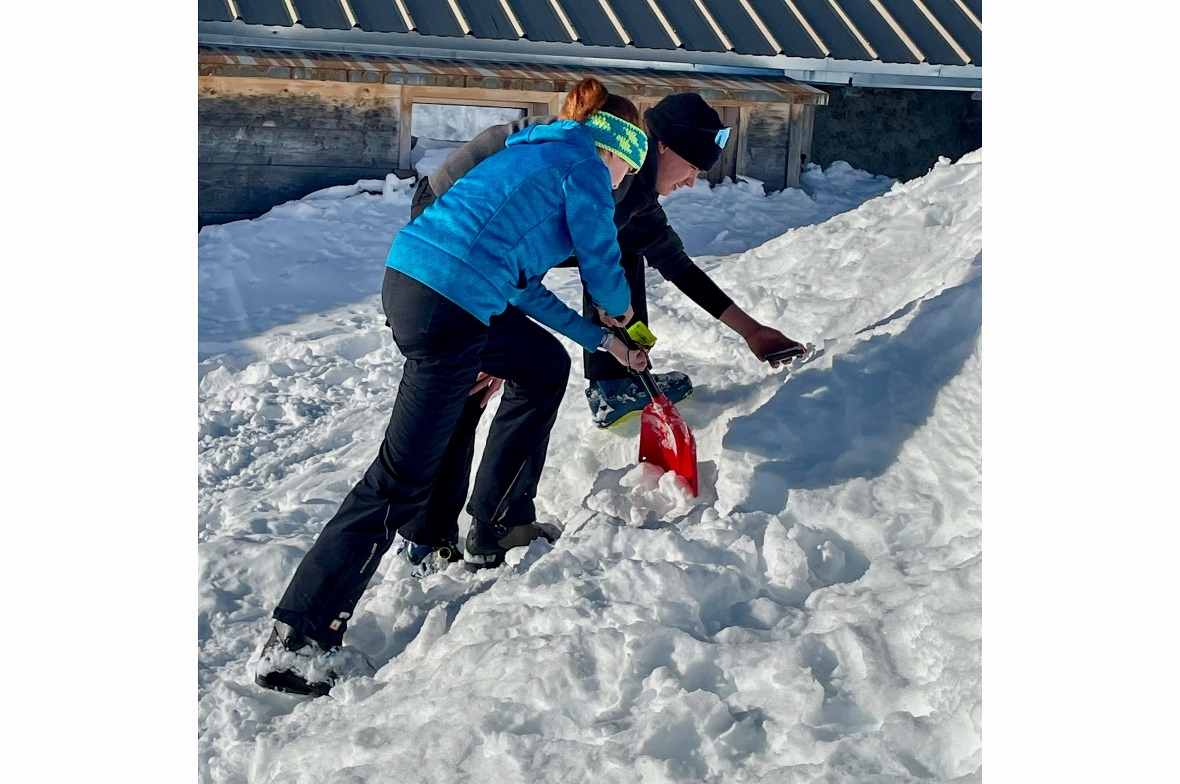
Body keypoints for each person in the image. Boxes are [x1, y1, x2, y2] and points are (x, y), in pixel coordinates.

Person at [255, 78, 651, 696]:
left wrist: (599, 341)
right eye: (630, 168)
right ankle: (298, 640)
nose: (625, 182)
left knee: (542, 365)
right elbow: (604, 257)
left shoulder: (540, 154)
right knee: (398, 478)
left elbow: (519, 283)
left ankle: (499, 518)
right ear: (619, 151)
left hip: (423, 284)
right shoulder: (583, 164)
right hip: (448, 307)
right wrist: (623, 318)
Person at [409, 91, 806, 545]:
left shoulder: (631, 190)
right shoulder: (583, 161)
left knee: (616, 258)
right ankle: (429, 536)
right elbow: (475, 227)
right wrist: (481, 330)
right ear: (662, 147)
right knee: (470, 382)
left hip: (499, 260)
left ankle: (610, 385)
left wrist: (751, 331)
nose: (693, 181)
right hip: (445, 236)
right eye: (693, 167)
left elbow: (675, 263)